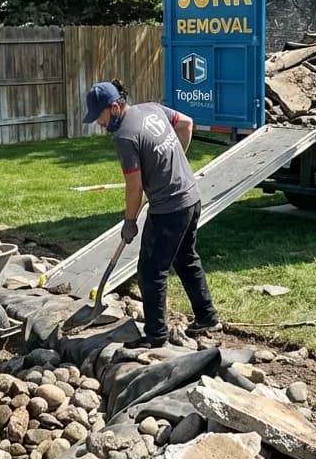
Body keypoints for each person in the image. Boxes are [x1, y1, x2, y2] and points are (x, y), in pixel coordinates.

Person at [83, 79, 221, 348]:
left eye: (98, 116)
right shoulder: (152, 109)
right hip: (191, 198)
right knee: (185, 259)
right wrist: (172, 162)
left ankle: (155, 335)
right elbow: (186, 124)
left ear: (113, 107)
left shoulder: (124, 136)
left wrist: (130, 222)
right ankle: (207, 317)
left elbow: (134, 187)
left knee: (150, 271)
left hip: (169, 208)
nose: (98, 123)